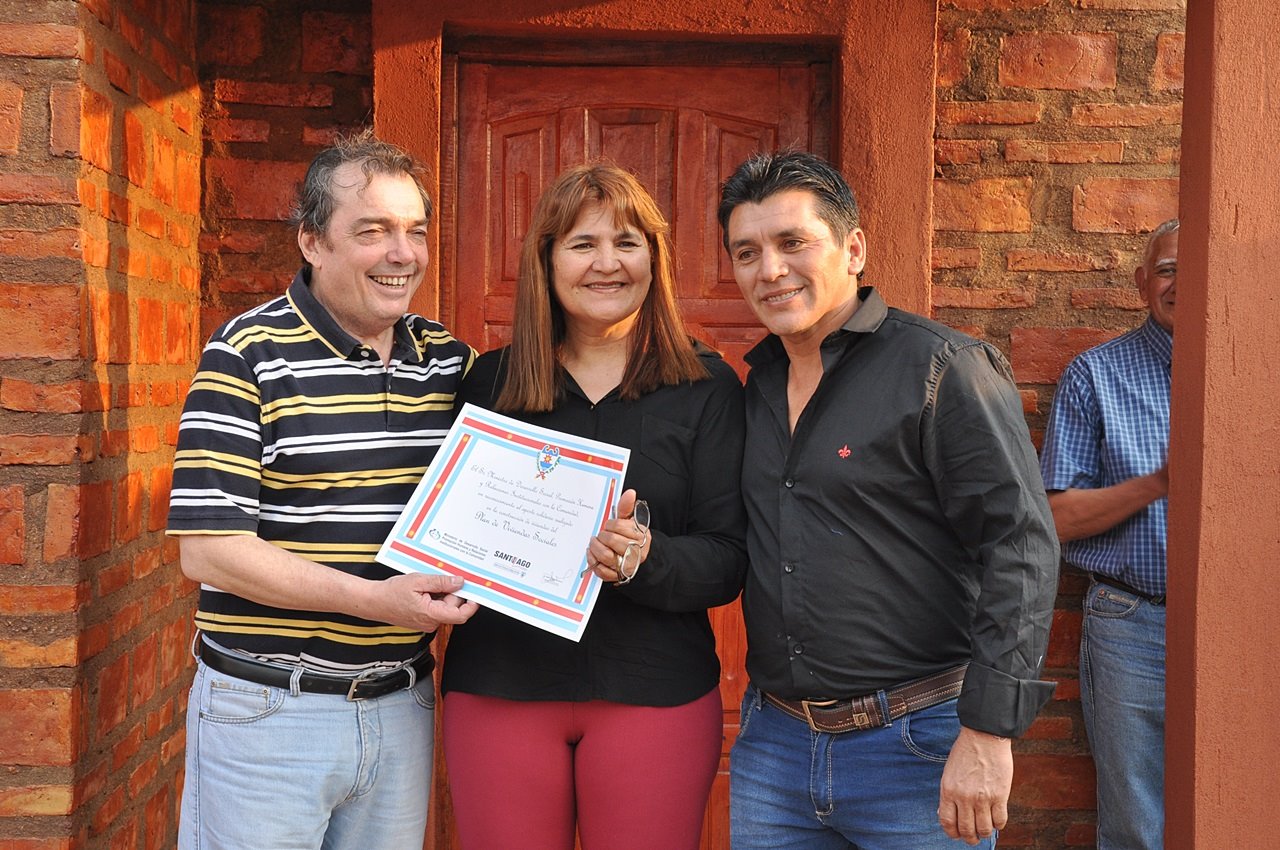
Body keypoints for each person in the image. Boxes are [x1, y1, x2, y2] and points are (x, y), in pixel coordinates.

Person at [718, 150, 1060, 849]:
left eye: (793, 243)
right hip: (774, 749)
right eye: (746, 252)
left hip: (918, 745)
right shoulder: (755, 389)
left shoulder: (942, 368)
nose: (770, 270)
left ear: (853, 249)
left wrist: (989, 731)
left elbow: (1020, 546)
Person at [167, 131, 478, 850]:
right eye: (372, 232)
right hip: (268, 710)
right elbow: (209, 552)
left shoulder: (448, 363)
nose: (403, 254)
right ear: (312, 241)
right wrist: (374, 600)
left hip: (401, 704)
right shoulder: (246, 354)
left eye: (415, 231)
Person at [440, 163, 747, 850]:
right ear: (547, 260)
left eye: (627, 243)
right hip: (500, 685)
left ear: (654, 259)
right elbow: (448, 533)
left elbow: (730, 558)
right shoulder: (489, 383)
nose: (607, 263)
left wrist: (647, 558)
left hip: (655, 690)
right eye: (583, 244)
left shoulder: (707, 387)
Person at [1039, 219, 1177, 850]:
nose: (1183, 283)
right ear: (1142, 282)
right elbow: (1056, 519)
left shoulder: (1261, 370)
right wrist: (1159, 483)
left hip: (1248, 621)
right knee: (1135, 826)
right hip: (1133, 622)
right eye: (1168, 270)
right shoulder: (1096, 375)